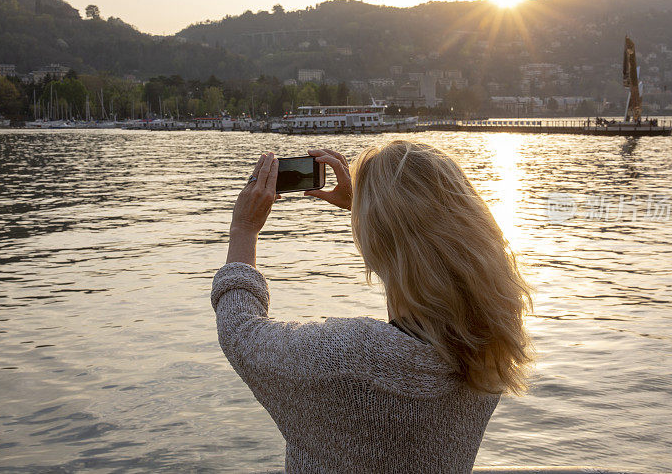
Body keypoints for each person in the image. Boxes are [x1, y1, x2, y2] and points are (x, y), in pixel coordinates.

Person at [212, 140, 533, 473]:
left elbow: (240, 332)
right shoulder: (493, 341)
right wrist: (365, 211)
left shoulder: (355, 356)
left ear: (378, 240)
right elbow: (428, 262)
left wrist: (244, 229)